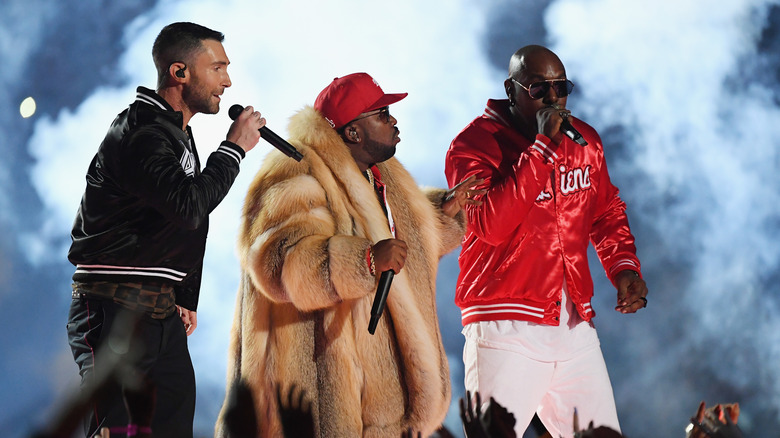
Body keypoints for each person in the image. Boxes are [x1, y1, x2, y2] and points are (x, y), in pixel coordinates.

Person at [215, 72, 482, 437]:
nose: (393, 121)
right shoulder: (296, 173)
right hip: (318, 394)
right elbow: (281, 264)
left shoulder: (380, 174)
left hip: (379, 405)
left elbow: (393, 241)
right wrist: (364, 261)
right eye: (382, 114)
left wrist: (438, 214)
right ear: (353, 132)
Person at [66, 21, 264, 437]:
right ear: (180, 72)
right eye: (218, 68)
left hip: (160, 314)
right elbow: (188, 207)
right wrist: (233, 149)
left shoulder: (174, 132)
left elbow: (183, 221)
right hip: (114, 311)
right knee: (116, 431)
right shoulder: (142, 132)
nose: (227, 81)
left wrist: (184, 291)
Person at [444, 44, 649, 438]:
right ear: (511, 90)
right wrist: (541, 148)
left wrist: (624, 267)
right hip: (504, 322)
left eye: (562, 87)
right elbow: (490, 225)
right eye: (539, 89)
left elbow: (605, 211)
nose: (554, 99)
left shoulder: (584, 141)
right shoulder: (473, 145)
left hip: (572, 322)